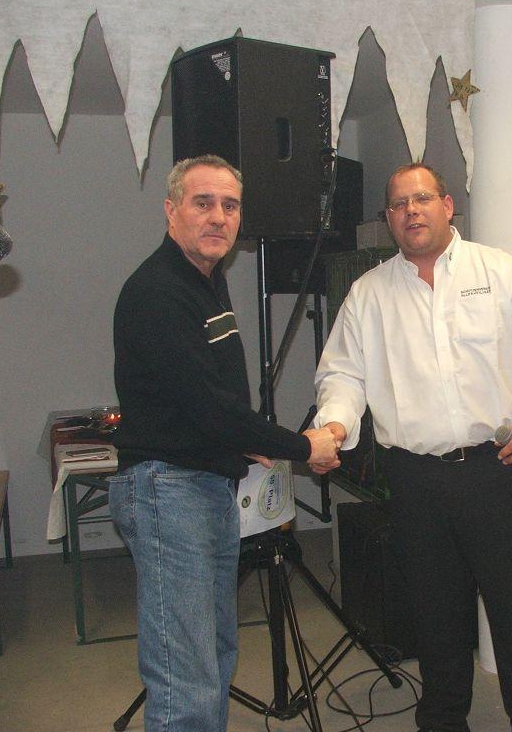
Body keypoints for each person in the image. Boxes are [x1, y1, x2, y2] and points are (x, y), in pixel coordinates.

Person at [313, 163, 512, 732]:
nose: (411, 211)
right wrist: (334, 427)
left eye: (422, 198)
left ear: (447, 205)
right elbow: (343, 376)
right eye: (399, 204)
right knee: (434, 615)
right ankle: (442, 721)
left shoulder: (502, 273)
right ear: (388, 218)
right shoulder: (368, 295)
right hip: (416, 480)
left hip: (497, 472)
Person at [110, 154, 338, 732]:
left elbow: (211, 403)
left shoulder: (206, 283)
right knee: (185, 672)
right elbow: (209, 408)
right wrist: (300, 447)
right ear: (171, 211)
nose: (218, 217)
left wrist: (247, 444)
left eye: (230, 206)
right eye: (203, 203)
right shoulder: (159, 291)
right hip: (169, 490)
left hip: (204, 486)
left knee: (213, 655)